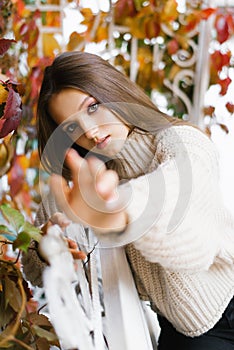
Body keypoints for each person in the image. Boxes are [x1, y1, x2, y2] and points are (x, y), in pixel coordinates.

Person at [22, 51, 234, 350]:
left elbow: (189, 231)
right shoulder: (88, 180)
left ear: (113, 91)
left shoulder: (182, 141)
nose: (91, 132)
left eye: (93, 107)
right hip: (184, 328)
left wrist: (118, 213)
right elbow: (33, 261)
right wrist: (47, 246)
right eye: (70, 128)